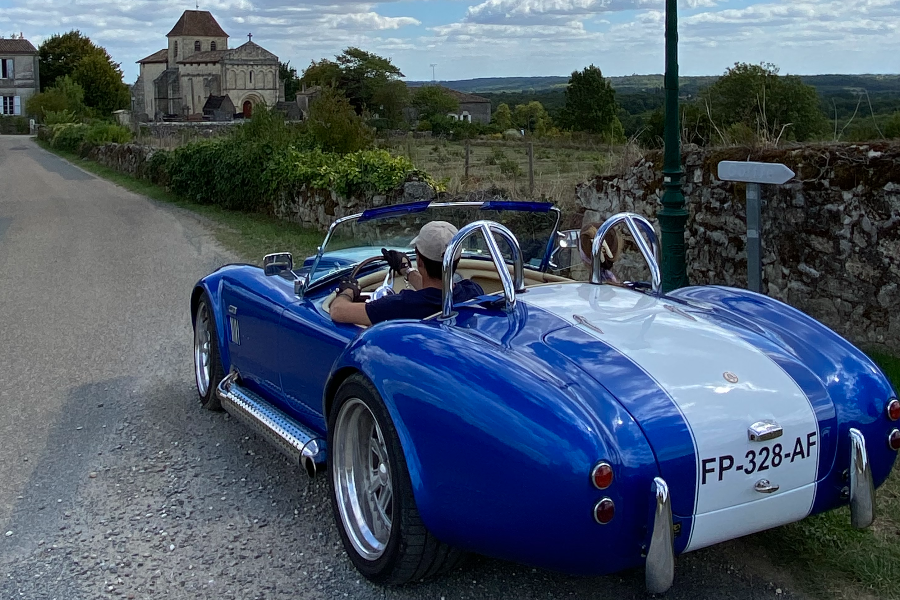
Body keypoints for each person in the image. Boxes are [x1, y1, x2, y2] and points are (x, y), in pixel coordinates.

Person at [330, 221, 485, 326]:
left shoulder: (400, 306)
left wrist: (348, 291)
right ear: (457, 259)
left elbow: (338, 311)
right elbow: (435, 292)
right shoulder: (473, 292)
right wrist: (407, 270)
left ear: (419, 260)